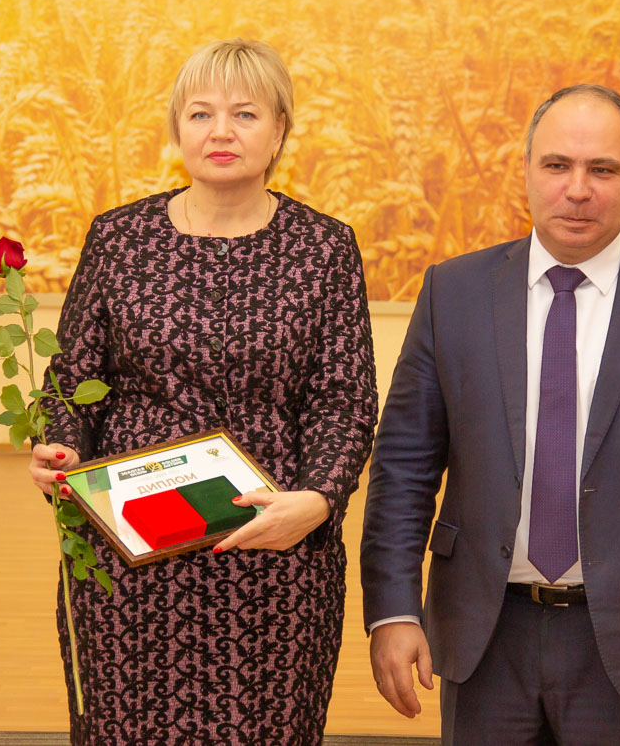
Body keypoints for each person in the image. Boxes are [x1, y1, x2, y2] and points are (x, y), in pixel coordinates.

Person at [360, 84, 620, 745]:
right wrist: (392, 611)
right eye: (557, 165)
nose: (578, 189)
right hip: (483, 636)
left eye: (602, 169)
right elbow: (403, 468)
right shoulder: (453, 293)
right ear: (526, 170)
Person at [28, 38, 378, 744]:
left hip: (274, 547)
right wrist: (60, 449)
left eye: (245, 114)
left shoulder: (324, 248)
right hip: (132, 547)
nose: (222, 131)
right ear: (177, 128)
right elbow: (71, 382)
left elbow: (343, 399)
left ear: (279, 131)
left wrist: (317, 500)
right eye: (201, 113)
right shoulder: (118, 239)